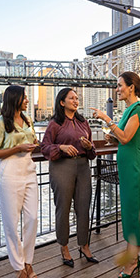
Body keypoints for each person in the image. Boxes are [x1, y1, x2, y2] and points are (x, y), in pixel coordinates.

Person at [91, 72, 140, 278]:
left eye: (119, 85)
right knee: (129, 211)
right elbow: (124, 138)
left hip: (134, 168)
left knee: (133, 213)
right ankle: (132, 256)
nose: (117, 89)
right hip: (127, 167)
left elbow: (126, 138)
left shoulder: (139, 109)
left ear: (131, 87)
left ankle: (133, 261)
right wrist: (113, 137)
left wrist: (108, 120)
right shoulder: (128, 111)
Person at [0, 85, 39, 278]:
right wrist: (17, 147)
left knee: (32, 218)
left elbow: (31, 140)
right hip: (10, 172)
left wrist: (35, 143)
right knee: (11, 223)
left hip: (28, 169)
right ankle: (19, 267)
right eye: (24, 97)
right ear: (14, 99)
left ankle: (28, 261)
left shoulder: (27, 120)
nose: (27, 100)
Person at [41, 88, 99, 268]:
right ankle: (64, 248)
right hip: (62, 166)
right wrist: (61, 148)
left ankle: (84, 245)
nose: (76, 101)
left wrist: (89, 146)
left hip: (83, 166)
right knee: (63, 208)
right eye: (71, 98)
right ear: (62, 102)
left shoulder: (83, 122)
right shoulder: (55, 124)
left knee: (83, 207)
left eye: (77, 98)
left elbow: (92, 153)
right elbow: (44, 147)